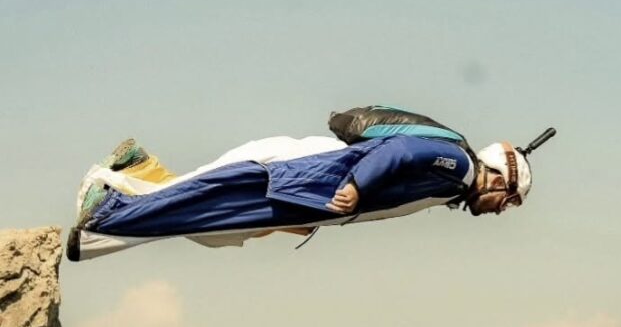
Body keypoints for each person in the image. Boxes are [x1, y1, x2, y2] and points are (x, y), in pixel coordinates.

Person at [67, 123, 550, 261]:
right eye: (508, 200)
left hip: (309, 193)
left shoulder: (453, 185)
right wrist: (357, 189)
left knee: (214, 229)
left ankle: (139, 170)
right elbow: (400, 152)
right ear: (497, 177)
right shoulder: (460, 165)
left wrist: (320, 216)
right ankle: (109, 200)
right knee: (207, 200)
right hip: (303, 170)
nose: (501, 210)